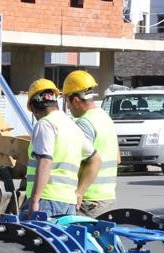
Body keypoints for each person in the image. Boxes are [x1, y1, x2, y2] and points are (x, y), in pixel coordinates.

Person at [23, 78, 101, 218]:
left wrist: (34, 201)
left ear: (34, 108)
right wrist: (79, 192)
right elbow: (95, 160)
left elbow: (45, 161)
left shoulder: (45, 124)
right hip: (68, 202)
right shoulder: (72, 126)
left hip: (46, 200)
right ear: (55, 102)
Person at [62, 70, 119, 218]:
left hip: (88, 198)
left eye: (67, 101)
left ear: (75, 100)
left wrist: (79, 192)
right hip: (106, 196)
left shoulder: (84, 123)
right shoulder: (105, 118)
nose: (68, 107)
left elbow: (80, 161)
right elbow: (118, 158)